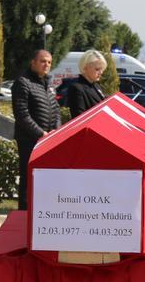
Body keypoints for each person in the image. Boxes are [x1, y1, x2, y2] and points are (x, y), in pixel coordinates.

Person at [12, 49, 61, 210]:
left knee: (45, 179)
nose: (46, 64)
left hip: (47, 141)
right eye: (42, 61)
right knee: (29, 179)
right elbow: (22, 114)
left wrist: (57, 132)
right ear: (33, 62)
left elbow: (56, 111)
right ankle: (25, 213)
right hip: (29, 140)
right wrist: (41, 133)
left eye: (49, 62)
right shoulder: (23, 82)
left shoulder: (48, 85)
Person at [66, 49, 107, 117]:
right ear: (85, 68)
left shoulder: (97, 86)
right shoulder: (77, 88)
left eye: (102, 69)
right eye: (97, 69)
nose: (101, 72)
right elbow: (79, 117)